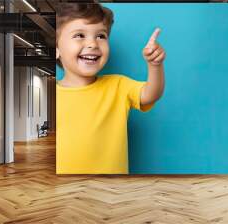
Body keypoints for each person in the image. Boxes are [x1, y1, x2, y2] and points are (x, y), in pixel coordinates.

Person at [56, 3, 165, 174]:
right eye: (79, 35)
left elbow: (151, 94)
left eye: (100, 36)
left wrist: (154, 65)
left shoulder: (119, 86)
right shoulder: (53, 98)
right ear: (56, 49)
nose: (92, 43)